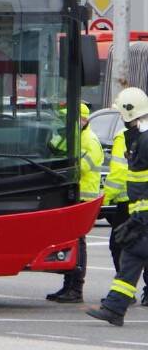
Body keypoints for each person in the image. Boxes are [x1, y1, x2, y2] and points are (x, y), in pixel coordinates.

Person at [88, 87, 148, 326]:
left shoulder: (144, 141)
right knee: (133, 255)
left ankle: (114, 307)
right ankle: (114, 308)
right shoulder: (139, 138)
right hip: (140, 214)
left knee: (133, 253)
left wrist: (140, 216)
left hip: (144, 215)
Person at [45, 103, 104, 303]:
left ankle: (76, 288)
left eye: (68, 118)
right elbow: (53, 149)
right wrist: (62, 133)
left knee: (78, 242)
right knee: (69, 241)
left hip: (83, 198)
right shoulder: (75, 136)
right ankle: (67, 285)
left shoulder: (90, 141)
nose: (65, 122)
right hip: (71, 196)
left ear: (83, 120)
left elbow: (79, 168)